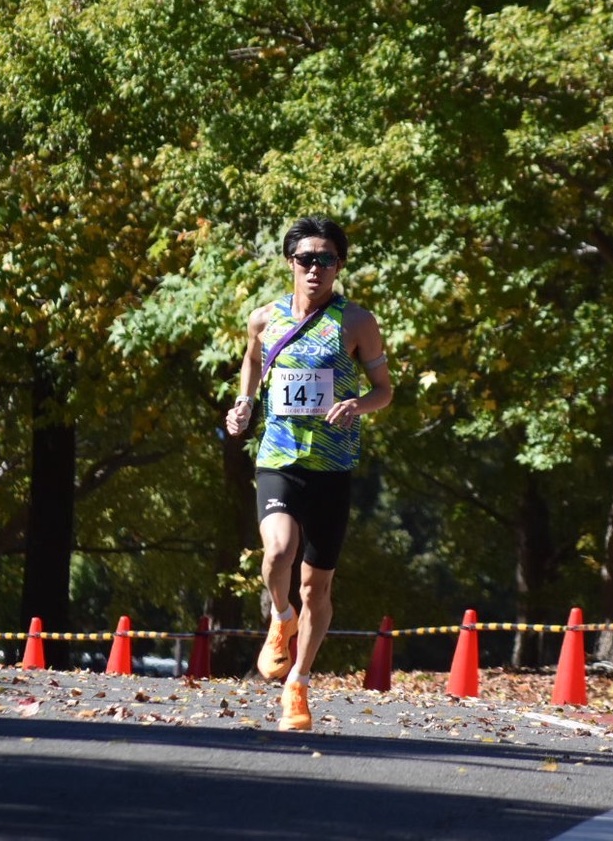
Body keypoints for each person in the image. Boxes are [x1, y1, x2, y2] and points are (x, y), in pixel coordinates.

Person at [224, 216, 393, 731]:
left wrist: (357, 406)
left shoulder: (356, 322)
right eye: (306, 259)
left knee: (316, 586)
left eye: (326, 259)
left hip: (332, 465)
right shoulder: (263, 318)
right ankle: (280, 617)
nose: (315, 268)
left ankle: (298, 682)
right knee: (277, 551)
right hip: (278, 456)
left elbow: (384, 390)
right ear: (289, 263)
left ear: (339, 265)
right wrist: (243, 404)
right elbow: (253, 363)